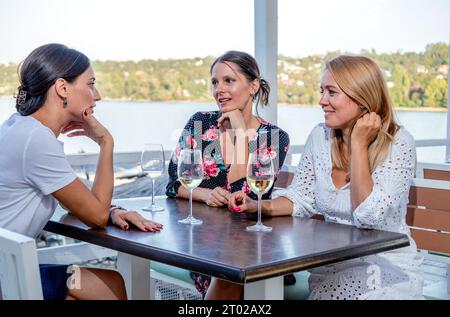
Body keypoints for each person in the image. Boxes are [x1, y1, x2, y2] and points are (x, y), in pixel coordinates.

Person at [225, 55, 424, 300]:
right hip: (331, 266)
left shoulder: (399, 143)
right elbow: (302, 197)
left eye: (331, 92)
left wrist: (358, 144)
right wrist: (258, 205)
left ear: (362, 98)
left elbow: (369, 216)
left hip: (384, 266)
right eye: (322, 91)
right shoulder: (320, 136)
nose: (322, 101)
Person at [0, 43, 163, 300]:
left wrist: (113, 210)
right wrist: (106, 142)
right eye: (90, 83)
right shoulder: (36, 140)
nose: (96, 95)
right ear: (63, 88)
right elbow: (95, 216)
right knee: (107, 286)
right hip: (7, 279)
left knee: (104, 284)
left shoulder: (20, 128)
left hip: (8, 269)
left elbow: (76, 198)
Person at [165, 51, 290, 297]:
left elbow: (244, 197)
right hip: (202, 243)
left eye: (228, 81)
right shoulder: (200, 124)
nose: (218, 89)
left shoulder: (273, 138)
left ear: (253, 86)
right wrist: (206, 194)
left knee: (231, 271)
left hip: (252, 243)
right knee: (224, 271)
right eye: (214, 82)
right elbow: (173, 184)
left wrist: (241, 132)